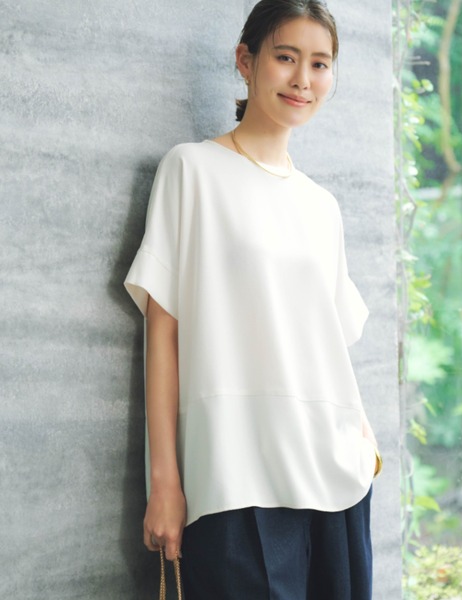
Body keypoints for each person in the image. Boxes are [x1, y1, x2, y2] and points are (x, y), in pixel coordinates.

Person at [124, 1, 382, 598]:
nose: (302, 79)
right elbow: (163, 333)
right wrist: (165, 483)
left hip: (336, 479)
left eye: (320, 64)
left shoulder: (322, 206)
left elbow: (328, 345)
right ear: (246, 61)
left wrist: (366, 449)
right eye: (286, 57)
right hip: (234, 479)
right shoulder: (192, 170)